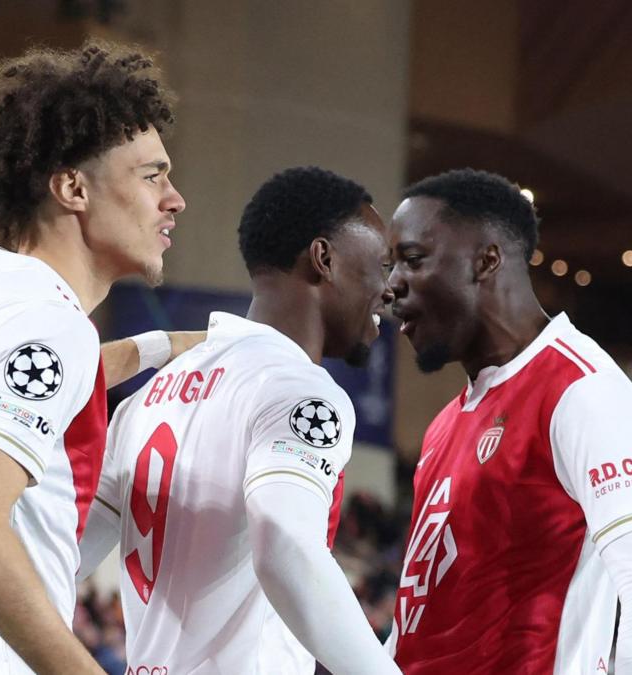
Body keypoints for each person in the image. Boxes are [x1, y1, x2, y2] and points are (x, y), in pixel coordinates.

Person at [0, 41, 203, 675]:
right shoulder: (53, 327)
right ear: (73, 187)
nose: (174, 199)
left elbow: (46, 382)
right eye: (151, 175)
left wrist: (161, 347)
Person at [77, 167, 400, 674]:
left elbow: (63, 558)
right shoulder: (299, 388)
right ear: (324, 259)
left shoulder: (150, 396)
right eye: (382, 265)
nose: (389, 289)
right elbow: (286, 547)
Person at [385, 169, 632, 674]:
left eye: (412, 260)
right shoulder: (446, 424)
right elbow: (414, 626)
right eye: (390, 264)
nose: (392, 284)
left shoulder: (583, 390)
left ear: (487, 260)